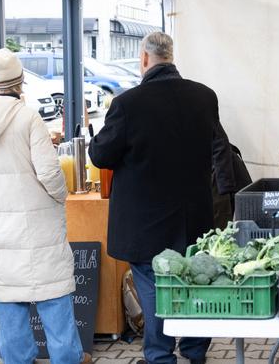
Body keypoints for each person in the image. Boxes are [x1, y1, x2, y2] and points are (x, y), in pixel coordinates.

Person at [89, 32, 226, 364]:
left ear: (144, 59)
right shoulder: (205, 97)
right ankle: (194, 352)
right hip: (194, 218)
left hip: (146, 226)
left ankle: (161, 356)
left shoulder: (127, 103)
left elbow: (101, 156)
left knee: (153, 289)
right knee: (194, 284)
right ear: (171, 56)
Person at [0, 49, 89, 364]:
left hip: (2, 228)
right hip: (40, 228)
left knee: (11, 311)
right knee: (55, 307)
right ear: (20, 81)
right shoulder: (27, 116)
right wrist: (61, 195)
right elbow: (49, 172)